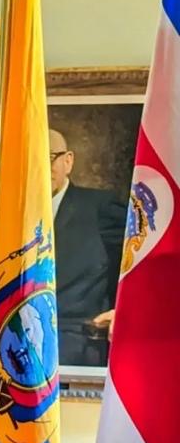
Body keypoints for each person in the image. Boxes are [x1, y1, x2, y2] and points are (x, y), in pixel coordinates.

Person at [49, 128, 128, 367]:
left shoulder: (101, 208)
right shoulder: (5, 215)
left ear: (68, 160)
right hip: (15, 354)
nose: (38, 168)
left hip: (80, 353)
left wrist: (124, 311)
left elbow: (143, 261)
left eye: (47, 157)